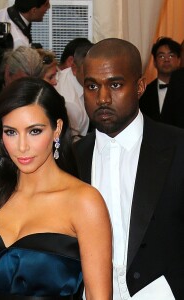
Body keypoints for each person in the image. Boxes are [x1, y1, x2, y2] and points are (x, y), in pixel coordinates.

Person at [0, 77, 112, 299]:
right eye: (11, 132)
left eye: (34, 131)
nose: (22, 146)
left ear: (57, 129)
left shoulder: (84, 202)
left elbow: (98, 296)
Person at [74, 38, 184, 299]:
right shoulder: (71, 158)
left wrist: (167, 291)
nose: (102, 98)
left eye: (115, 84)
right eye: (92, 86)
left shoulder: (178, 147)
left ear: (140, 87)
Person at [56, 42, 93, 140]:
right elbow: (71, 144)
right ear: (74, 69)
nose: (96, 75)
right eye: (89, 70)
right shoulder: (69, 103)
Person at [139, 37, 181, 123]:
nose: (166, 60)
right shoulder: (145, 92)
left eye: (171, 56)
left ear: (179, 60)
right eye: (161, 56)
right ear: (154, 62)